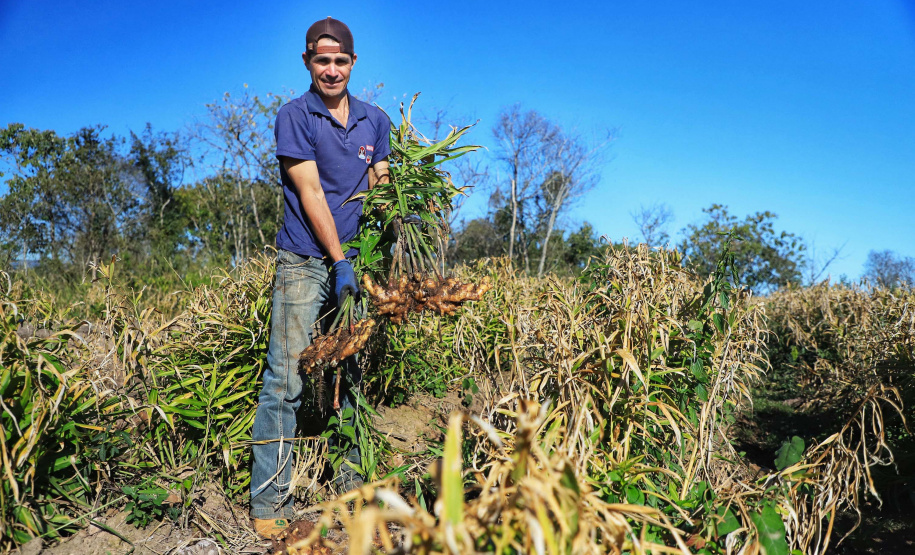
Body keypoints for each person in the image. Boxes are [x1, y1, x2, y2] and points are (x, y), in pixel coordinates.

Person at [250, 16, 391, 538]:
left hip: (359, 263)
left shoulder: (375, 121)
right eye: (321, 60)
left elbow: (380, 179)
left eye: (340, 61)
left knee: (350, 375)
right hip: (307, 261)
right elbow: (310, 193)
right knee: (286, 377)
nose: (331, 70)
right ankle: (269, 503)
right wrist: (339, 260)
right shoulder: (295, 115)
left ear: (354, 63)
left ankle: (350, 489)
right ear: (308, 62)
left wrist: (399, 212)